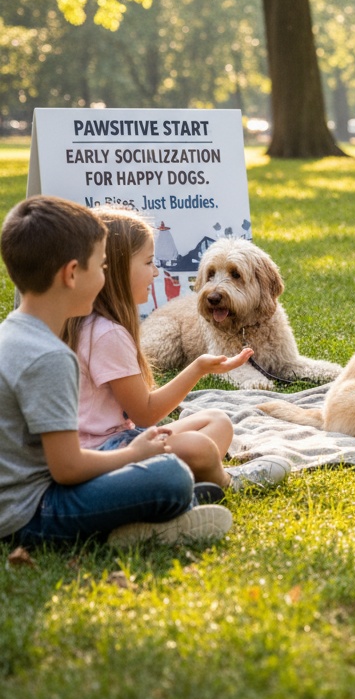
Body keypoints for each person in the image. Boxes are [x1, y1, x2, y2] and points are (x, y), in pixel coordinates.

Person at [0, 196, 230, 547]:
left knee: (182, 453)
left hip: (23, 501)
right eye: (102, 266)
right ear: (72, 273)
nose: (107, 276)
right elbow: (68, 469)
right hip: (34, 513)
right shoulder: (50, 356)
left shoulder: (13, 332)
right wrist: (134, 455)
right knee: (170, 477)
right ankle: (157, 522)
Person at [63, 206, 290, 501]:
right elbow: (145, 413)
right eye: (148, 263)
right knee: (200, 446)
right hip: (106, 452)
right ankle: (228, 480)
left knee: (218, 421)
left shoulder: (101, 326)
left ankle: (191, 476)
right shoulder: (108, 335)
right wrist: (198, 369)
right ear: (117, 270)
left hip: (121, 438)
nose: (156, 272)